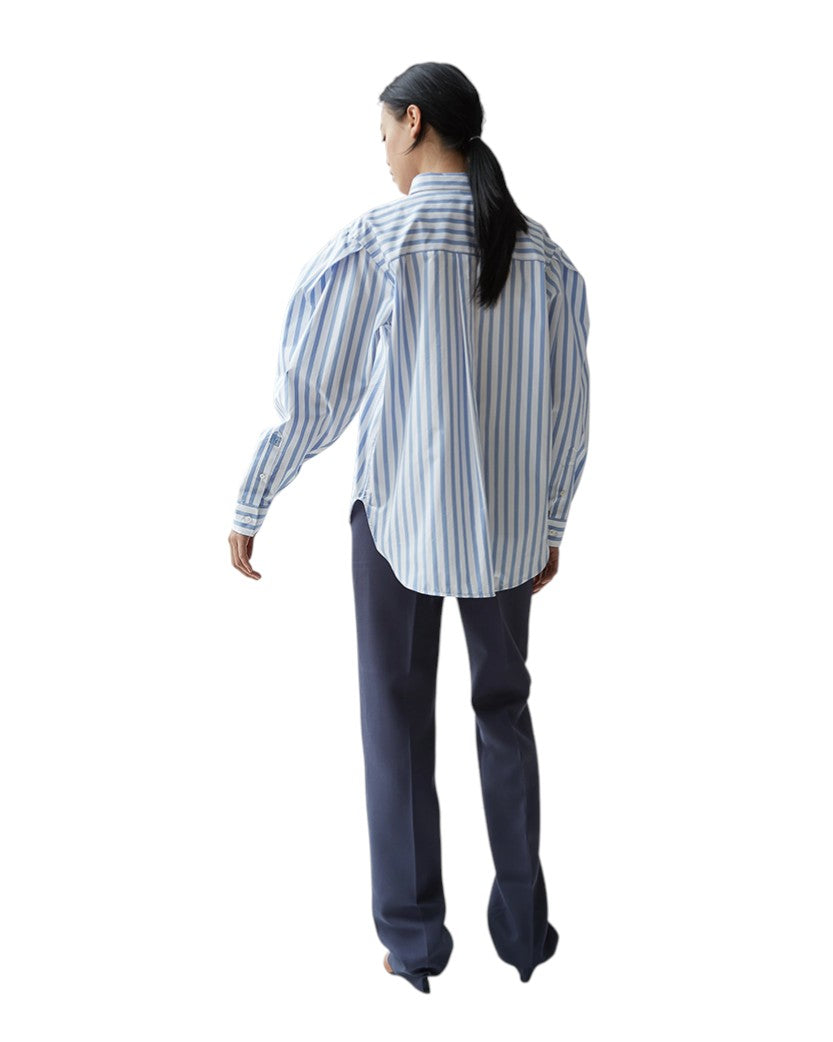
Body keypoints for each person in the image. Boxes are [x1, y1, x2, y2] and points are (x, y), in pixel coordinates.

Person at [228, 61, 590, 993]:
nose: (383, 152)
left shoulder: (378, 242)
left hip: (395, 520)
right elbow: (568, 408)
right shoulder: (544, 255)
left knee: (394, 725)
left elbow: (316, 394)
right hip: (510, 533)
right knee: (504, 716)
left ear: (415, 121)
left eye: (384, 132)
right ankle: (524, 935)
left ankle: (415, 945)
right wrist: (551, 517)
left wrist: (254, 495)